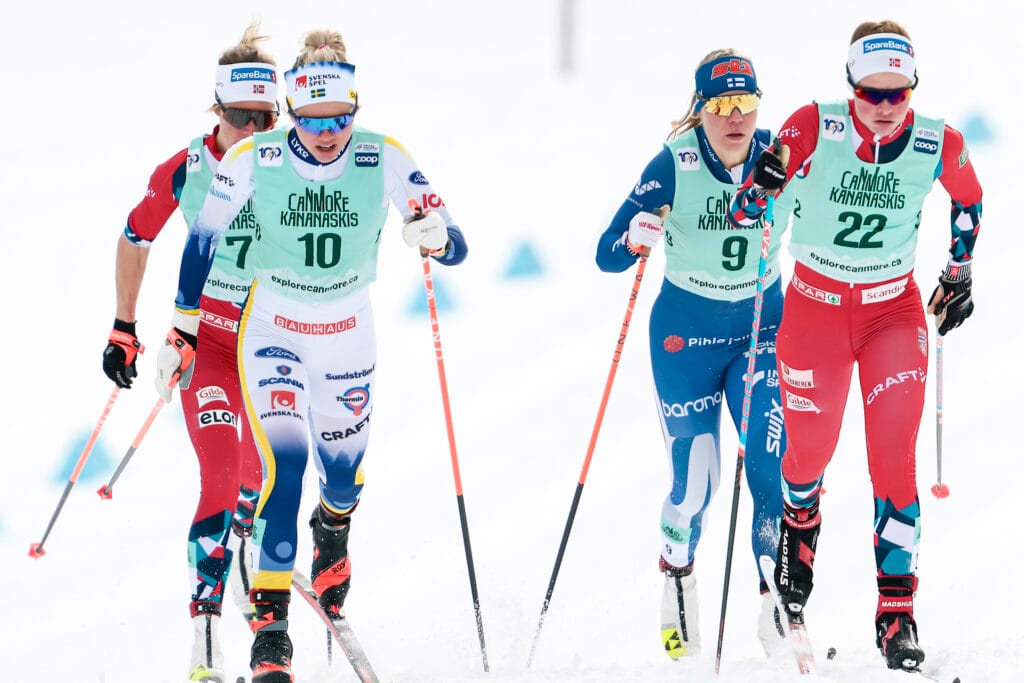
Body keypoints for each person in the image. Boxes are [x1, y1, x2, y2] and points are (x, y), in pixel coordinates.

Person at [153, 28, 468, 683]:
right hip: (272, 330)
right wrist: (181, 330)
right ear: (292, 110)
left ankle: (334, 526)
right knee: (283, 466)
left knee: (343, 479)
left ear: (356, 110)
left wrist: (437, 234)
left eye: (342, 119)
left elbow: (453, 240)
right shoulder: (255, 160)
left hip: (348, 335)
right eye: (316, 120)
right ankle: (271, 631)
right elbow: (201, 245)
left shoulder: (383, 157)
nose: (329, 134)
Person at [729, 20, 982, 672]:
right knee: (806, 462)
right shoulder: (816, 124)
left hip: (890, 316)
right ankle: (792, 591)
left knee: (893, 460)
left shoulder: (937, 141)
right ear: (851, 86)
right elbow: (750, 208)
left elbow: (970, 198)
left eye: (899, 94)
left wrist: (959, 272)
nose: (885, 108)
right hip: (814, 313)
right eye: (872, 93)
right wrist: (761, 185)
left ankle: (896, 616)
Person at [596, 49, 791, 660]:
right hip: (685, 336)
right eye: (719, 105)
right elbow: (606, 253)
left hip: (761, 327)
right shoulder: (675, 164)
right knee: (695, 483)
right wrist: (634, 238)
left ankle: (776, 603)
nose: (734, 117)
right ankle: (678, 576)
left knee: (770, 462)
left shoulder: (783, 158)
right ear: (700, 110)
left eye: (745, 103)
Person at [100, 20, 279, 683]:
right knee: (222, 473)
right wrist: (125, 324)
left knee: (264, 481)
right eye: (241, 117)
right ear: (217, 112)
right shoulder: (188, 168)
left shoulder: (292, 161)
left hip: (269, 348)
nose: (255, 132)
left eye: (267, 117)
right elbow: (134, 234)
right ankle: (205, 638)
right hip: (206, 346)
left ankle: (257, 584)